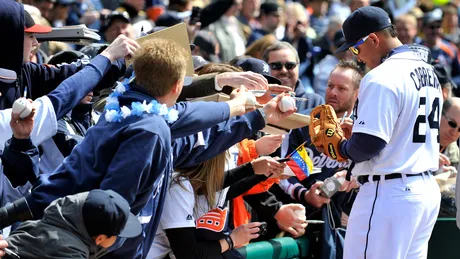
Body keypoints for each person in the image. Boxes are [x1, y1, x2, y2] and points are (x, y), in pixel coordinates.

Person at [7, 38, 294, 258]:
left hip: (66, 228)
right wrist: (236, 107)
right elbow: (112, 206)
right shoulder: (149, 124)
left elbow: (194, 143)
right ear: (177, 85)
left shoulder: (125, 107)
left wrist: (255, 115)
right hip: (80, 242)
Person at [331, 6, 441, 259]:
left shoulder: (382, 76)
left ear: (373, 39)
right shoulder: (428, 71)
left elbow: (367, 146)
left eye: (356, 48)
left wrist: (341, 147)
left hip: (389, 194)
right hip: (422, 191)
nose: (356, 57)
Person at [5, 189, 142, 258]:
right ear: (100, 238)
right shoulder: (71, 254)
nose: (118, 238)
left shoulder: (42, 224)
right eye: (117, 235)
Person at [262, 41, 324, 112]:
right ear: (265, 67)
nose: (284, 71)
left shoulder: (314, 102)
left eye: (290, 65)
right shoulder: (257, 98)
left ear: (298, 66)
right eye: (276, 66)